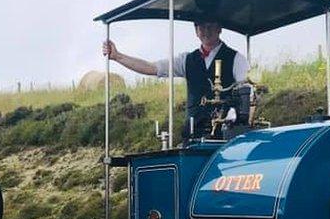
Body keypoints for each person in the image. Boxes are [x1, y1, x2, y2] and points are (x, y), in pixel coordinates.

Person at [103, 19, 249, 138]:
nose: (206, 31)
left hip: (225, 135)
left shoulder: (237, 59)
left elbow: (245, 93)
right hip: (193, 134)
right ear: (196, 31)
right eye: (201, 27)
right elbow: (151, 68)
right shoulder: (186, 60)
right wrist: (117, 56)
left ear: (219, 28)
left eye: (210, 26)